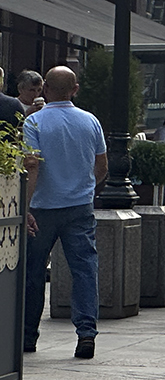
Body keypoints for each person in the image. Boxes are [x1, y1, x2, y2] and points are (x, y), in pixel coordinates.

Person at [22, 67, 106, 359]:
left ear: (45, 87)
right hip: (79, 207)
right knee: (84, 270)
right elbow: (102, 165)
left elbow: (32, 165)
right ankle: (86, 333)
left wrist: (26, 206)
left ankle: (27, 335)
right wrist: (86, 188)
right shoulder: (90, 121)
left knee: (33, 272)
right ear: (75, 89)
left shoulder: (34, 122)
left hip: (42, 208)